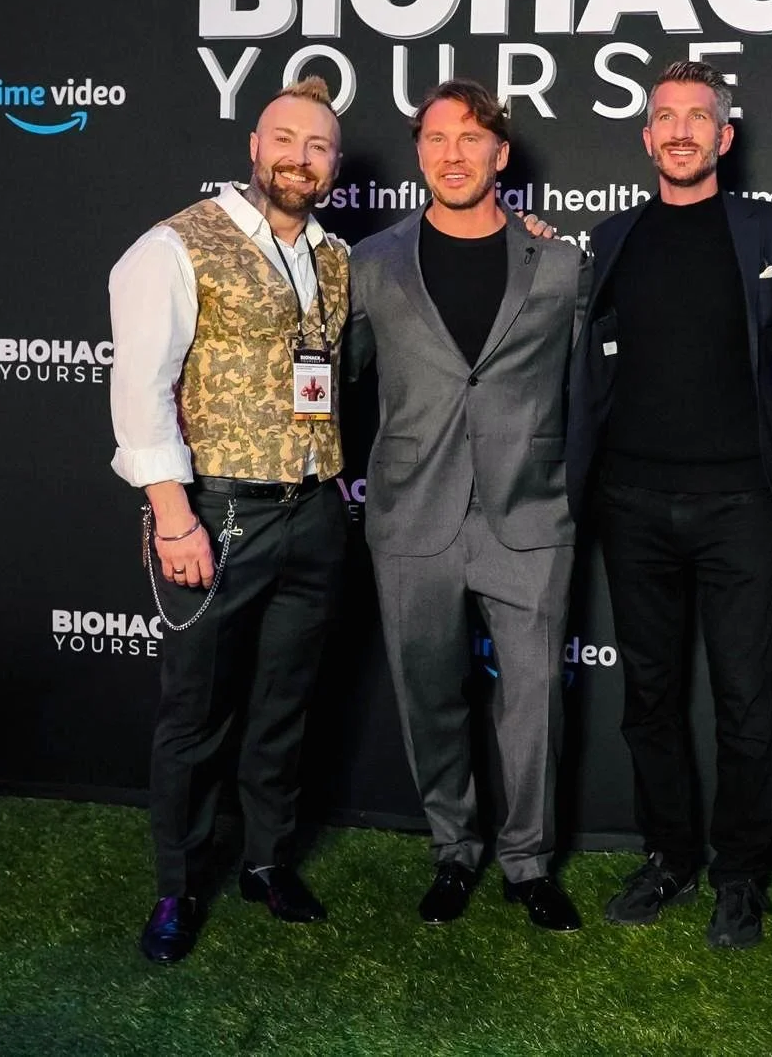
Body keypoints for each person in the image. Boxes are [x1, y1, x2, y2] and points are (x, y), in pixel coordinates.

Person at [109, 76, 349, 964]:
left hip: (315, 511)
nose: (301, 158)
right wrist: (173, 517)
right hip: (217, 513)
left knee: (283, 706)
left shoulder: (335, 256)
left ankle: (265, 860)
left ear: (331, 164)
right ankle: (176, 889)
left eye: (319, 146)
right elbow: (139, 389)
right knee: (195, 715)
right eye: (286, 139)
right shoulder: (177, 243)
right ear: (255, 145)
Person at [567, 61, 772, 950]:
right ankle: (669, 854)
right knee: (650, 696)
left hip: (739, 502)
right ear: (646, 137)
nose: (678, 131)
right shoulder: (613, 235)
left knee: (746, 701)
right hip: (630, 502)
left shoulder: (771, 230)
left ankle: (739, 876)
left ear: (724, 137)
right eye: (663, 117)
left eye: (696, 118)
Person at [346, 79, 590, 933]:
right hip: (412, 515)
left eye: (470, 138)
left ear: (501, 153)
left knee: (534, 701)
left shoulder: (558, 261)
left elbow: (588, 387)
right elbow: (335, 380)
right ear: (420, 154)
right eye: (436, 138)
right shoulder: (371, 261)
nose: (453, 154)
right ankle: (453, 850)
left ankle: (527, 862)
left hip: (531, 514)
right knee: (429, 695)